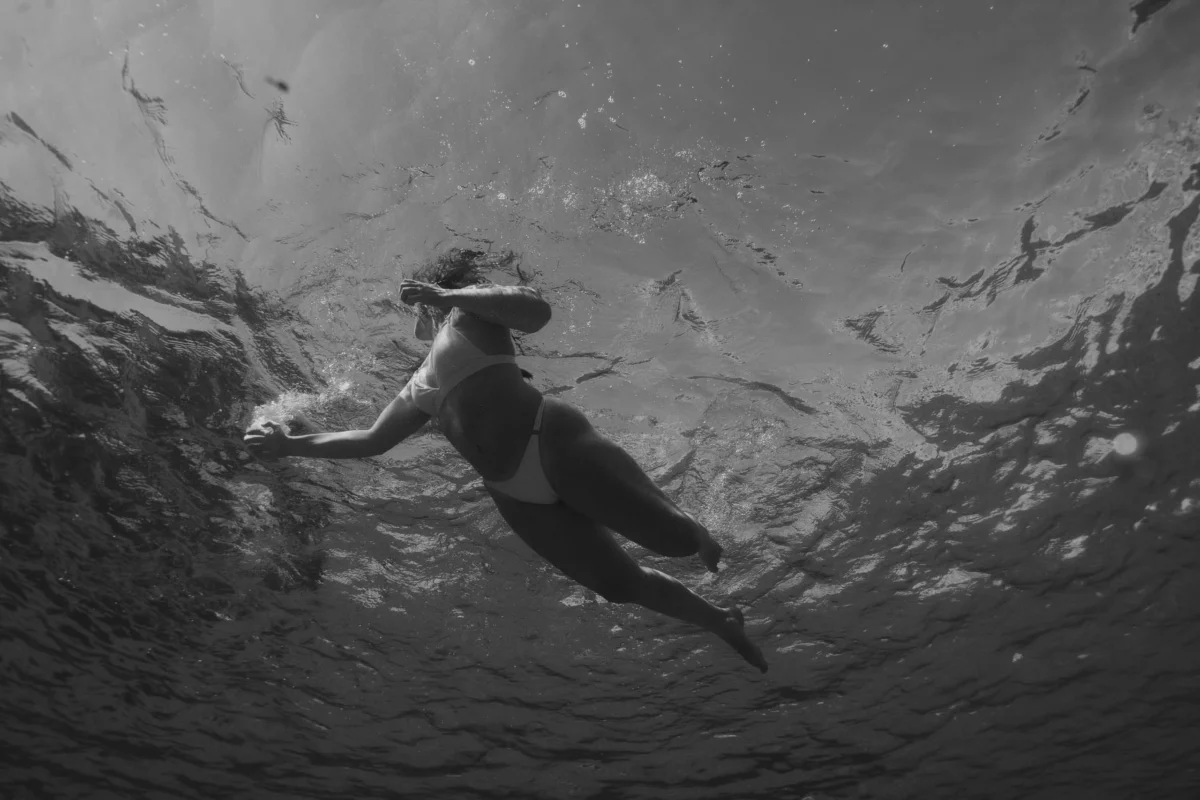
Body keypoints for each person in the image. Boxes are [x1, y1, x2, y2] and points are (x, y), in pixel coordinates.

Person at [244, 249, 767, 672]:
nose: (414, 325)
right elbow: (371, 441)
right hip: (514, 492)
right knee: (620, 587)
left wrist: (445, 294)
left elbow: (534, 309)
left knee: (675, 542)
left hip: (549, 439)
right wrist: (287, 446)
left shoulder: (471, 318)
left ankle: (689, 524)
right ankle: (720, 621)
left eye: (419, 313)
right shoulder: (419, 381)